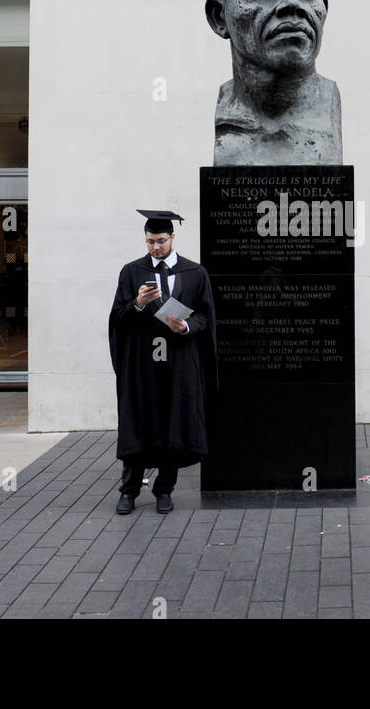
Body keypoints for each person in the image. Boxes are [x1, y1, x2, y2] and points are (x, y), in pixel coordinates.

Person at [107, 209, 217, 515]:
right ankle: (129, 489)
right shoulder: (132, 272)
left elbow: (205, 317)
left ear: (172, 238)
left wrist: (186, 327)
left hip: (179, 362)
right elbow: (118, 317)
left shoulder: (194, 272)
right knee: (139, 420)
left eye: (161, 241)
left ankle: (164, 490)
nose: (155, 247)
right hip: (143, 363)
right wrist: (138, 304)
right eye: (150, 241)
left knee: (174, 422)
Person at [206, 0, 342, 166]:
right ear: (219, 17)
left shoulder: (327, 108)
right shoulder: (228, 117)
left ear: (324, 11)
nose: (292, 4)